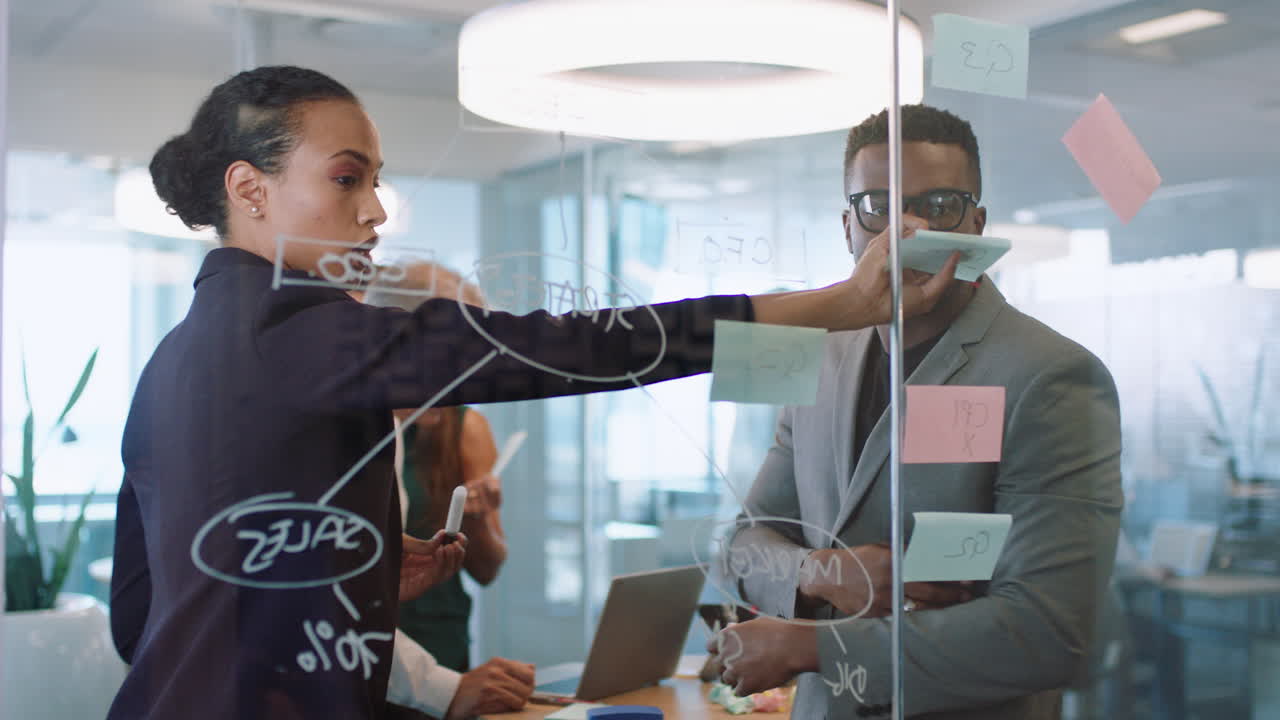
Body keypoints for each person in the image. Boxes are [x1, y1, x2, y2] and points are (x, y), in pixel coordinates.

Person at [108, 66, 959, 720]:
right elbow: (572, 347)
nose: (374, 212)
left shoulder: (174, 360)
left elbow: (142, 611)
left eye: (375, 182)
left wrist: (336, 570)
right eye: (345, 179)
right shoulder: (302, 328)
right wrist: (840, 305)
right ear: (249, 190)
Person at [707, 105, 1123, 720]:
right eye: (877, 205)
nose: (906, 230)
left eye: (940, 206)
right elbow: (738, 546)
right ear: (847, 225)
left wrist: (812, 645)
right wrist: (823, 572)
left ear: (977, 224)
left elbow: (1049, 632)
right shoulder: (818, 356)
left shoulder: (1050, 375)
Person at [366, 263, 535, 717]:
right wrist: (444, 689)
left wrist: (382, 575)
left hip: (412, 655)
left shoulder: (393, 429)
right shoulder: (345, 430)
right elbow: (318, 600)